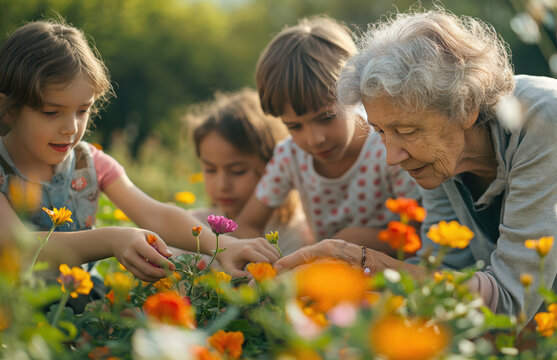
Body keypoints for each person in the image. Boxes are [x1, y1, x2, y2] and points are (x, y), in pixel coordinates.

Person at [275, 8, 557, 321]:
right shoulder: (438, 158)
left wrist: (366, 263)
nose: (392, 156)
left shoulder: (548, 122)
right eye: (382, 132)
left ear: (466, 108)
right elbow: (447, 273)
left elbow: (510, 303)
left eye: (406, 130)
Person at [0, 20, 279, 282]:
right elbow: (15, 247)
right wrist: (111, 239)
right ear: (8, 110)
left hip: (78, 298)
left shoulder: (90, 162)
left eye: (83, 110)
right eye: (51, 112)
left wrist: (224, 246)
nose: (71, 128)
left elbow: (156, 214)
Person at [234, 16, 420, 256]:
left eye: (327, 118)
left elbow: (418, 235)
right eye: (295, 126)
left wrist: (347, 242)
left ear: (355, 92)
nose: (314, 139)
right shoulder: (291, 155)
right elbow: (248, 223)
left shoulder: (387, 149)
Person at [186, 88, 313, 255]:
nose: (222, 185)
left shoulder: (294, 234)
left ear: (272, 166)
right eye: (210, 169)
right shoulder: (194, 226)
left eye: (238, 171)